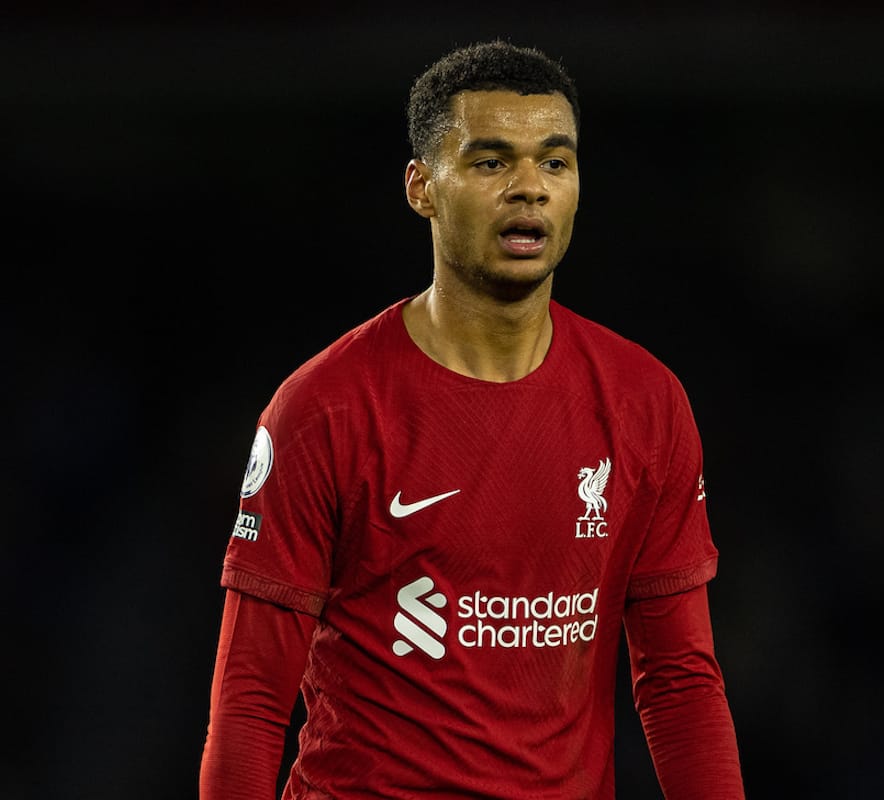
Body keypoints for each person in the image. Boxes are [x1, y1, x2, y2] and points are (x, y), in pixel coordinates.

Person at [199, 39, 745, 799]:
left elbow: (680, 681)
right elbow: (252, 699)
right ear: (421, 187)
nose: (530, 188)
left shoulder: (645, 402)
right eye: (491, 163)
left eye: (555, 162)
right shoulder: (324, 409)